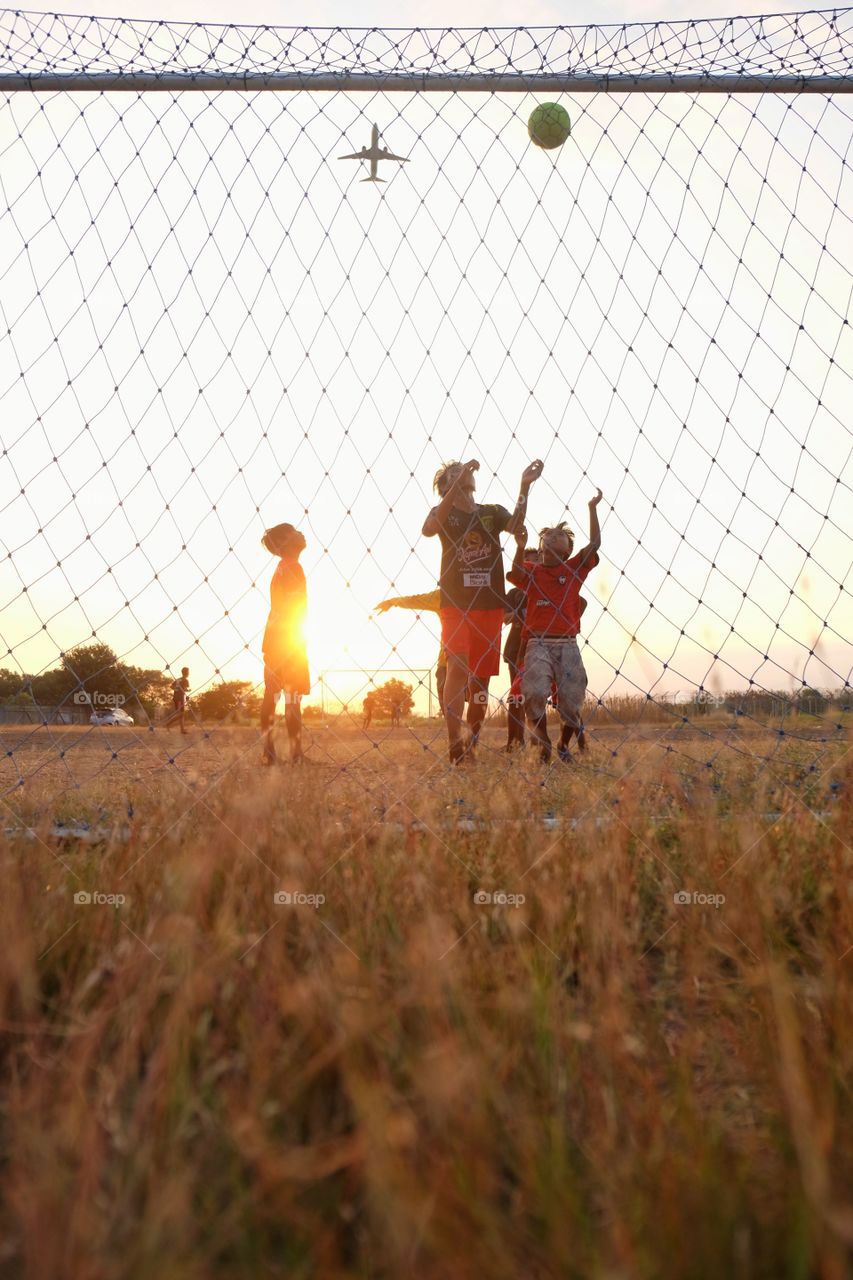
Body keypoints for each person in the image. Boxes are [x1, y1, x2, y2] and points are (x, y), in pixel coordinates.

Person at [422, 457, 543, 764]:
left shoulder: (491, 513)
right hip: (455, 604)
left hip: (489, 605)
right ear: (445, 486)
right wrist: (452, 489)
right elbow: (428, 529)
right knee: (458, 668)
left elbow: (516, 525)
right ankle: (454, 743)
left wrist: (524, 487)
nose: (464, 472)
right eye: (454, 472)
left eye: (464, 470)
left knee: (480, 681)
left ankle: (471, 742)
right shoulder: (443, 513)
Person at [510, 489, 603, 763]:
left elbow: (595, 543)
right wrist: (518, 545)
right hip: (537, 643)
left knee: (572, 702)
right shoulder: (532, 571)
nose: (553, 536)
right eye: (547, 535)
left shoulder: (575, 569)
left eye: (559, 535)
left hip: (568, 644)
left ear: (568, 550)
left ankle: (564, 743)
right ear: (540, 548)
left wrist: (592, 508)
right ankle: (544, 743)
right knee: (534, 694)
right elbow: (515, 571)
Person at [259, 522, 310, 764]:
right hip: (286, 640)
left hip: (282, 639)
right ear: (284, 543)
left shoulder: (286, 567)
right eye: (293, 531)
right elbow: (289, 609)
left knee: (279, 696)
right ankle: (286, 753)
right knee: (287, 696)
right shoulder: (292, 568)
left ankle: (277, 752)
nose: (300, 532)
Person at [374, 589, 447, 716]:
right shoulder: (442, 596)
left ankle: (466, 734)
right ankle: (463, 734)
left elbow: (414, 600)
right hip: (454, 659)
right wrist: (393, 602)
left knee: (454, 700)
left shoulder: (442, 596)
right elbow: (414, 600)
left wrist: (392, 602)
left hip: (453, 660)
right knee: (452, 702)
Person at [164, 667, 190, 733]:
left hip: (176, 697)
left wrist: (176, 689)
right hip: (179, 698)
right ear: (186, 672)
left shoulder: (178, 679)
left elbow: (171, 686)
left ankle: (182, 729)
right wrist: (187, 690)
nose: (189, 673)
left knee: (181, 713)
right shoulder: (185, 680)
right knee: (181, 714)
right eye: (188, 672)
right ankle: (168, 724)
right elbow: (184, 688)